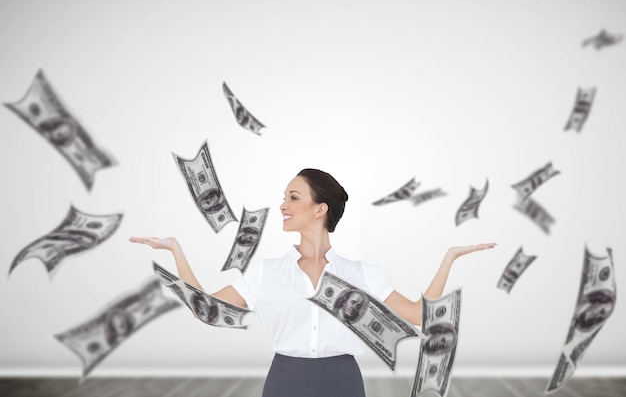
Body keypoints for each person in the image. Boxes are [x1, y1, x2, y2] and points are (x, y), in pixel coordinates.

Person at [130, 168, 495, 397]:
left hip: (343, 383)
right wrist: (176, 251)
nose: (283, 205)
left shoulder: (362, 273)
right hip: (285, 382)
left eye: (293, 197)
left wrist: (448, 258)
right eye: (284, 197)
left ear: (320, 209)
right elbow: (205, 310)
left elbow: (419, 315)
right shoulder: (266, 273)